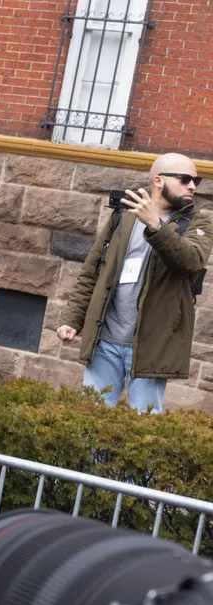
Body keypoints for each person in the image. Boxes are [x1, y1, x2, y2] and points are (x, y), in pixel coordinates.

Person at [58, 153, 213, 414]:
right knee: (91, 421)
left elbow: (192, 261)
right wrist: (72, 318)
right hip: (104, 340)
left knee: (144, 428)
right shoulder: (124, 215)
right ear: (159, 180)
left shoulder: (198, 222)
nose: (193, 186)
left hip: (151, 346)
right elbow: (93, 271)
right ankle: (93, 459)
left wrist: (156, 225)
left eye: (195, 180)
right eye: (185, 179)